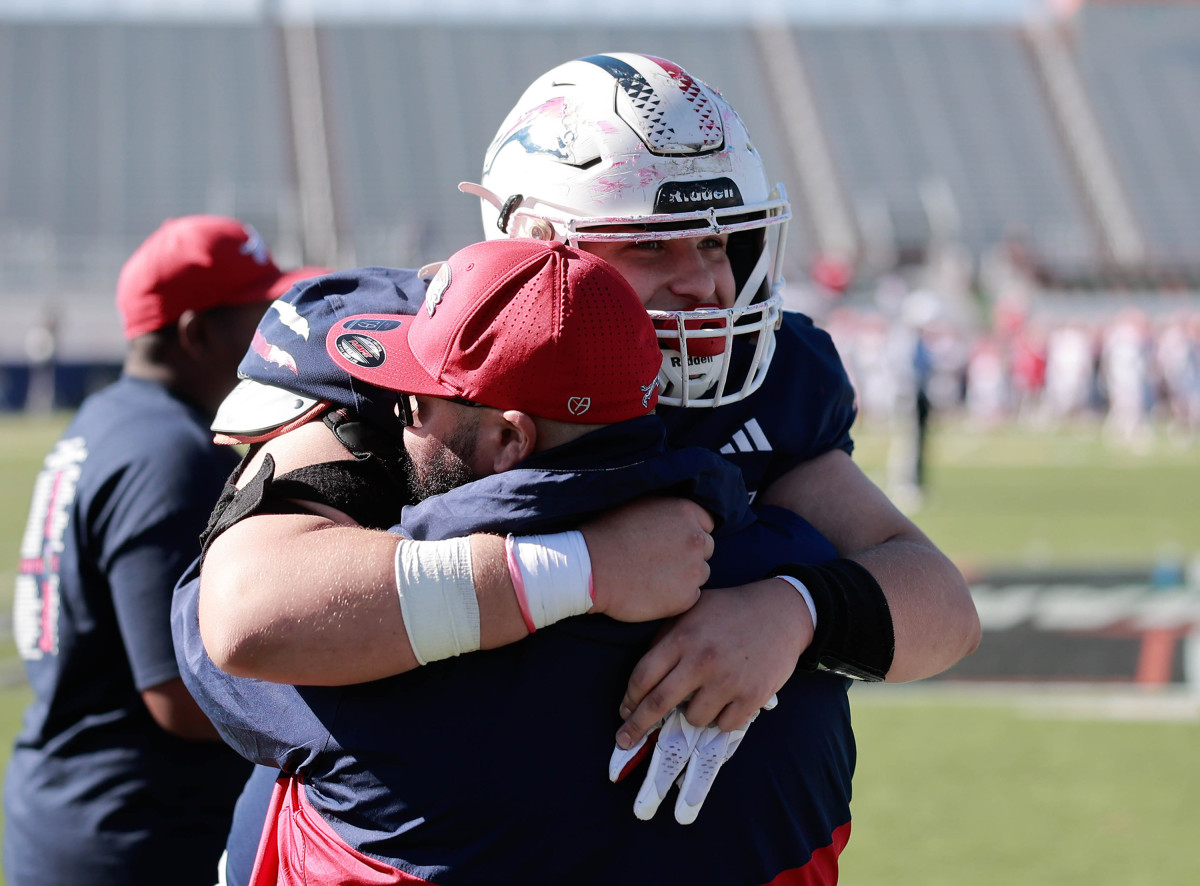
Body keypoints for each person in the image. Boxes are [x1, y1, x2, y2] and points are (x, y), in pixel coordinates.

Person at [192, 53, 979, 882]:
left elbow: (940, 603)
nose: (706, 283)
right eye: (651, 245)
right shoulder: (400, 349)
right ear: (535, 244)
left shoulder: (770, 378)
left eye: (716, 241)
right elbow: (248, 612)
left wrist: (796, 611)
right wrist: (586, 569)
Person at [175, 236, 849, 884]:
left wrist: (312, 451)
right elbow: (918, 602)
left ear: (507, 438)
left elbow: (231, 626)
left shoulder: (369, 632)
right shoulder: (789, 578)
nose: (404, 421)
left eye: (414, 402)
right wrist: (800, 608)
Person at [3, 215, 327, 886]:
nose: (276, 332)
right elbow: (179, 694)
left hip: (82, 809)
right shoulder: (169, 452)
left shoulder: (111, 421)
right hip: (135, 832)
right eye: (259, 313)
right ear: (197, 334)